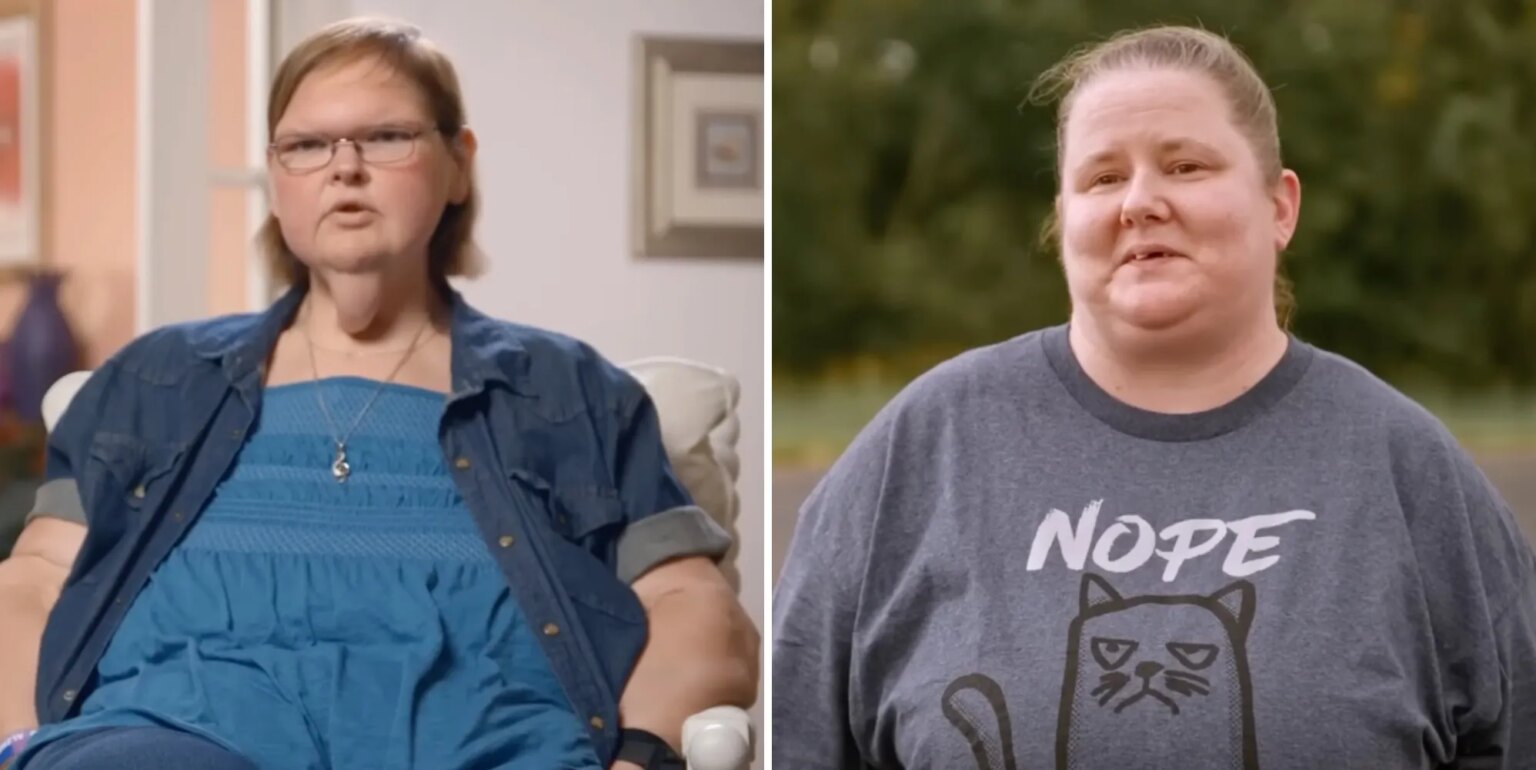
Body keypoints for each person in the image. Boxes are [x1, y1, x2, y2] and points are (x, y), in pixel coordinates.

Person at [0, 17, 757, 770]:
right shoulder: (154, 379)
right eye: (306, 145)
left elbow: (693, 608)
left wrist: (636, 754)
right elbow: (31, 585)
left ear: (459, 163)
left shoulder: (571, 392)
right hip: (169, 742)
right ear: (277, 180)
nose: (345, 167)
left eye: (387, 137)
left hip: (492, 749)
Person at [772, 24, 1535, 769]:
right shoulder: (925, 448)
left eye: (1185, 166)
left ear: (1280, 207)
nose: (1139, 201)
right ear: (1063, 218)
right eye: (1102, 177)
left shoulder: (1406, 470)